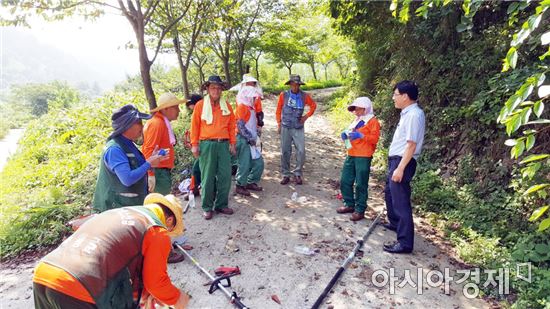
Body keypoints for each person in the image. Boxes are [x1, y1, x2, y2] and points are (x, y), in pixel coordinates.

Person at [33, 193, 190, 309]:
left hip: (44, 273)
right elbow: (156, 283)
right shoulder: (156, 230)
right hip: (78, 286)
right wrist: (178, 298)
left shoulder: (115, 213)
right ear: (169, 220)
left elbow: (114, 258)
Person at [92, 104, 167, 213]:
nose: (142, 127)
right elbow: (127, 179)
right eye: (139, 123)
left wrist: (152, 160)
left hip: (129, 207)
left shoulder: (128, 145)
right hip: (115, 210)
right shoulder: (114, 149)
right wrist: (149, 163)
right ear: (127, 125)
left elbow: (139, 166)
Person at [383, 80, 425, 254]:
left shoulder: (414, 115)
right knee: (389, 192)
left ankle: (405, 243)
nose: (394, 98)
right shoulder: (407, 113)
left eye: (396, 94)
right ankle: (395, 224)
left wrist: (400, 168)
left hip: (403, 161)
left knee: (401, 200)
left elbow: (411, 145)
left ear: (405, 96)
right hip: (397, 159)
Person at [190, 75, 237, 220]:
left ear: (222, 90)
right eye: (212, 88)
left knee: (225, 176)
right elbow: (195, 126)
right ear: (208, 89)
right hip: (207, 145)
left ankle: (221, 205)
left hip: (223, 144)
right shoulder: (200, 106)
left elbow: (231, 125)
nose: (216, 90)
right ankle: (207, 207)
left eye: (218, 88)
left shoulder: (226, 106)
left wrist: (232, 143)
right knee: (207, 177)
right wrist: (194, 145)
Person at [337, 97, 380, 221]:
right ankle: (349, 204)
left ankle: (360, 209)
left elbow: (374, 139)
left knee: (361, 183)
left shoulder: (372, 121)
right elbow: (349, 140)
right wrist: (344, 137)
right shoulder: (356, 121)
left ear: (365, 108)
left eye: (358, 108)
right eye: (355, 108)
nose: (355, 110)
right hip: (351, 154)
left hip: (364, 155)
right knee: (345, 180)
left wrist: (362, 135)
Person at [275, 74, 317, 185]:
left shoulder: (304, 96)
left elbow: (313, 105)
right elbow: (278, 109)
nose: (295, 87)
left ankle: (298, 173)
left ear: (299, 85)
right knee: (285, 151)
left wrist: (306, 116)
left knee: (301, 151)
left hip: (298, 127)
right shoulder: (283, 95)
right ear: (290, 84)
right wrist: (279, 123)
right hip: (286, 126)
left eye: (297, 84)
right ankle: (285, 174)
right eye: (293, 84)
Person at [142, 92, 186, 195]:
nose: (179, 110)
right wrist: (151, 174)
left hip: (161, 171)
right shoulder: (157, 124)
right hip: (158, 172)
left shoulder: (161, 122)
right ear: (166, 109)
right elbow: (148, 149)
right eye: (176, 107)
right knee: (160, 204)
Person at [234, 78, 265, 196]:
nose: (253, 99)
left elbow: (254, 122)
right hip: (243, 139)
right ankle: (240, 185)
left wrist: (257, 133)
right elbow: (240, 126)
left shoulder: (251, 107)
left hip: (252, 139)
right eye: (252, 97)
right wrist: (249, 138)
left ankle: (251, 181)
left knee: (259, 162)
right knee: (244, 163)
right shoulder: (242, 107)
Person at [183, 94, 204, 198]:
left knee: (197, 168)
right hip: (198, 145)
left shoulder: (204, 112)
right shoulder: (197, 113)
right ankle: (194, 188)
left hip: (204, 145)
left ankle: (195, 188)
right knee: (197, 168)